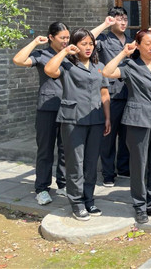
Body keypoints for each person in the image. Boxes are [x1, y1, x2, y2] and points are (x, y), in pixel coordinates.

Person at [102, 29, 151, 224]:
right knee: (139, 164)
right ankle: (140, 206)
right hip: (137, 120)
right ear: (138, 45)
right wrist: (124, 53)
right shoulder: (130, 66)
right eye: (147, 44)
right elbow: (107, 72)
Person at [44, 28, 111, 221]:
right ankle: (77, 202)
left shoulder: (99, 66)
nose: (88, 47)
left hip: (96, 119)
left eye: (91, 44)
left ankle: (89, 199)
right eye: (84, 44)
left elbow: (104, 93)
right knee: (75, 162)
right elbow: (49, 70)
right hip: (72, 119)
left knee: (91, 162)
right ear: (75, 45)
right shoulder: (66, 64)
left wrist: (107, 117)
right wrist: (65, 51)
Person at [13, 22, 70, 206]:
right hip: (47, 107)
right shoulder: (41, 55)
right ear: (51, 37)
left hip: (68, 106)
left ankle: (63, 184)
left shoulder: (69, 54)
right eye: (62, 37)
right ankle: (42, 188)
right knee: (45, 149)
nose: (66, 41)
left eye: (67, 37)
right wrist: (35, 42)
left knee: (65, 149)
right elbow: (18, 60)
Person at [91, 7, 132, 187]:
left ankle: (124, 167)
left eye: (125, 19)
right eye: (119, 19)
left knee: (126, 134)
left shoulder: (130, 41)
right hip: (111, 93)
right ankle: (108, 173)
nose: (123, 22)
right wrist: (104, 25)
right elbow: (86, 40)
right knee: (108, 134)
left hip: (129, 92)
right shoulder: (103, 40)